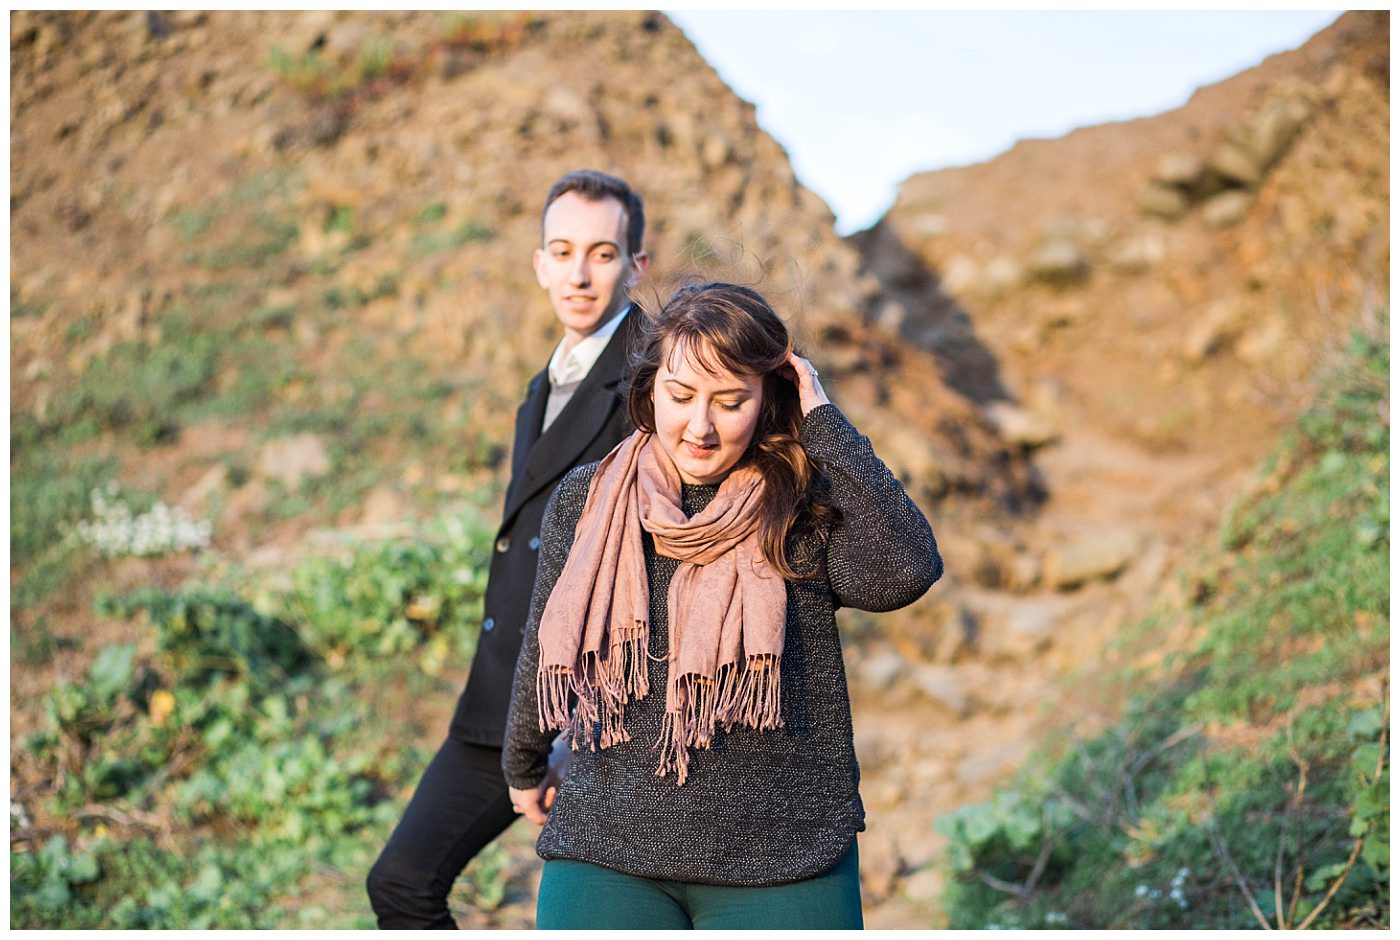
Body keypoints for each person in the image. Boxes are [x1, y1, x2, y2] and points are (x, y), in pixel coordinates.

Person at [502, 282, 943, 929]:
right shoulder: (591, 498)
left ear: (768, 401)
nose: (700, 427)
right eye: (681, 396)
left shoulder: (803, 503)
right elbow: (546, 639)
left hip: (785, 854)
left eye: (730, 401)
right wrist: (523, 763)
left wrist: (822, 418)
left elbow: (903, 571)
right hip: (608, 846)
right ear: (651, 388)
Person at [367, 169, 650, 928]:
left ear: (636, 266)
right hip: (502, 697)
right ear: (540, 264)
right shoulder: (543, 383)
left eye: (602, 252)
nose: (580, 273)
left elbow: (652, 571)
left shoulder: (655, 383)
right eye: (563, 251)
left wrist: (577, 731)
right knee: (399, 882)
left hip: (591, 713)